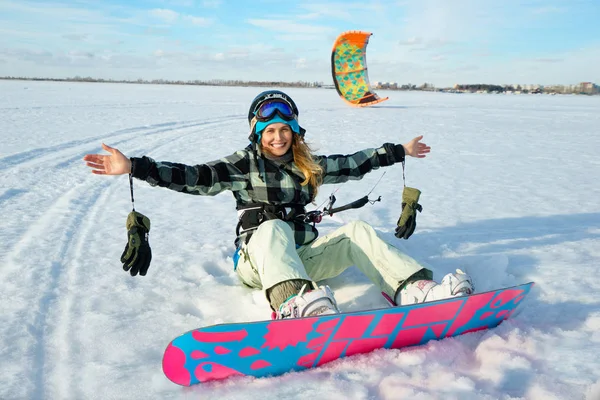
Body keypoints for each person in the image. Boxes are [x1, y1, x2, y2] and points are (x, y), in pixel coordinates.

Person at [83, 90, 473, 319]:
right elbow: (193, 176)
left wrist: (396, 151)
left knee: (356, 232)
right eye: (269, 130)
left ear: (294, 132)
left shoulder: (308, 166)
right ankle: (293, 305)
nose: (277, 137)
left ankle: (415, 290)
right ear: (258, 132)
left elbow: (353, 163)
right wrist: (135, 166)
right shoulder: (241, 165)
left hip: (304, 259)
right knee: (272, 228)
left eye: (284, 129)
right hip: (260, 264)